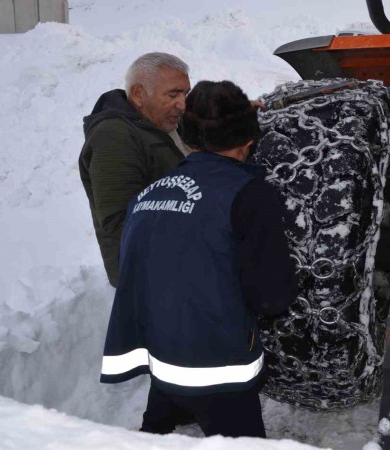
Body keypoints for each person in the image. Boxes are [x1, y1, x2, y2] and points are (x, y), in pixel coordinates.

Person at [99, 80, 297, 438]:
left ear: (187, 140)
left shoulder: (148, 195)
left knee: (154, 437)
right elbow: (271, 295)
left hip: (163, 366)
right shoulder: (248, 194)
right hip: (219, 374)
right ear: (248, 142)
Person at [79, 52, 191, 288]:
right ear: (139, 94)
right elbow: (121, 224)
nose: (182, 105)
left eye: (185, 94)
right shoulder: (114, 137)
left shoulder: (156, 123)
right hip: (150, 275)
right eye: (173, 95)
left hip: (177, 261)